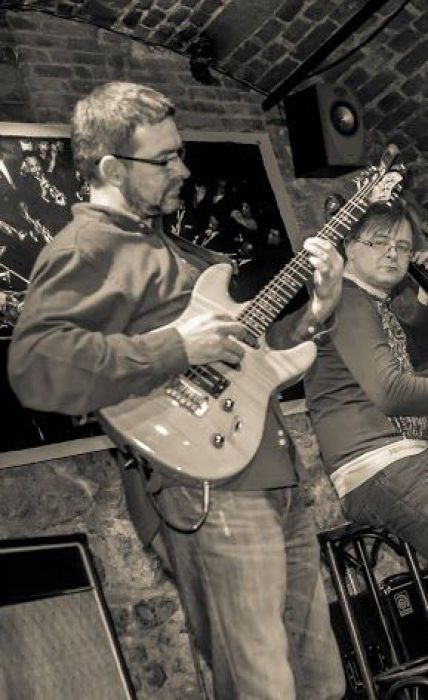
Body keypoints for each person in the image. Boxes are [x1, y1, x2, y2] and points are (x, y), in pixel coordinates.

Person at [7, 81, 345, 700]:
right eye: (164, 159)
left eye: (179, 153)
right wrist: (175, 347)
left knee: (321, 680)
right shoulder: (87, 249)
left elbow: (250, 354)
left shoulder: (172, 245)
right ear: (111, 169)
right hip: (208, 494)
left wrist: (318, 309)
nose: (182, 170)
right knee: (262, 687)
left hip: (273, 476)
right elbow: (35, 366)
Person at [304, 199, 428, 561]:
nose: (392, 253)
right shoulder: (346, 299)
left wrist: (423, 293)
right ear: (349, 248)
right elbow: (392, 392)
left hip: (402, 458)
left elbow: (418, 362)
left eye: (402, 246)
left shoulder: (376, 304)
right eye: (379, 242)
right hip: (380, 464)